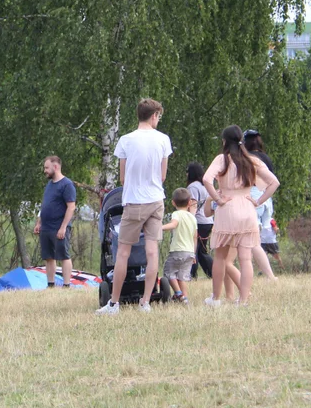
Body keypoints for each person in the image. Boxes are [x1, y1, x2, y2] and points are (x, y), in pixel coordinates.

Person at [96, 98, 172, 315]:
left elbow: (122, 178)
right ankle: (146, 301)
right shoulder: (163, 140)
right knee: (151, 251)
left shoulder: (126, 141)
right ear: (154, 115)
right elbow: (163, 174)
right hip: (156, 200)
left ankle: (114, 303)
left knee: (123, 253)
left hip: (134, 201)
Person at [203, 126, 280, 305]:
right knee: (246, 258)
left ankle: (215, 298)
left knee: (220, 257)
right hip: (247, 207)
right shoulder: (251, 160)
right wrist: (258, 201)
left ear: (224, 141)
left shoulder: (222, 159)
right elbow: (274, 182)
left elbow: (207, 179)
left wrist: (217, 198)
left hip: (227, 208)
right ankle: (243, 300)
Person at [186, 162, 239, 297]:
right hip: (209, 221)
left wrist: (189, 221)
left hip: (198, 221)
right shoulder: (205, 187)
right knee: (202, 251)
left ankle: (192, 274)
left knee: (195, 250)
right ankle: (211, 272)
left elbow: (193, 204)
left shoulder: (193, 187)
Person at [33, 155, 77, 288]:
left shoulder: (67, 185)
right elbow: (45, 205)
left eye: (47, 168)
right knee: (48, 257)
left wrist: (63, 227)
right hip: (46, 227)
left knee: (63, 255)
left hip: (59, 227)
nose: (44, 170)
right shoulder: (49, 184)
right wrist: (39, 223)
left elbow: (71, 207)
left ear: (55, 167)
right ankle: (51, 285)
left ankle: (66, 285)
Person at [243, 130, 281, 277]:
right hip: (266, 197)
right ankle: (264, 271)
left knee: (251, 237)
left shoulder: (248, 158)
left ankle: (252, 269)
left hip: (253, 194)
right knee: (258, 238)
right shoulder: (266, 158)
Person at [159, 188, 197, 303]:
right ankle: (185, 299)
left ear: (173, 203)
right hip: (190, 252)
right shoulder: (193, 217)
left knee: (169, 272)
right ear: (189, 202)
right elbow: (195, 236)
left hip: (178, 250)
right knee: (182, 277)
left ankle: (178, 293)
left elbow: (174, 224)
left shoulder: (176, 214)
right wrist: (194, 253)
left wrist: (160, 227)